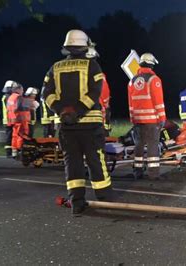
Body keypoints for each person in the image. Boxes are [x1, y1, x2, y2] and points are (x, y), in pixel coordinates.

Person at [42, 29, 113, 214]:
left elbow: (46, 94)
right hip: (89, 124)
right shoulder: (93, 66)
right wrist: (78, 111)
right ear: (85, 46)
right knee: (95, 160)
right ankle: (104, 199)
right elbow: (95, 93)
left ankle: (77, 203)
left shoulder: (55, 67)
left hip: (66, 126)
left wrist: (62, 111)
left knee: (72, 163)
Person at [128, 52, 166, 180]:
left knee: (138, 145)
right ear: (151, 65)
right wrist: (162, 119)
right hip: (151, 120)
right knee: (152, 146)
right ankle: (153, 174)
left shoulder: (132, 81)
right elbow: (158, 101)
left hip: (137, 120)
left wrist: (132, 118)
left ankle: (137, 171)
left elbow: (130, 102)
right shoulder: (154, 79)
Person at [7, 84, 31, 157]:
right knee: (22, 134)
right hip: (20, 119)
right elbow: (19, 107)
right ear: (18, 89)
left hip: (13, 119)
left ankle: (14, 151)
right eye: (22, 90)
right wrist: (29, 104)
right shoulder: (18, 97)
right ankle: (20, 150)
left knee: (15, 135)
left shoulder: (10, 97)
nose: (23, 91)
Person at [1, 80, 19, 157]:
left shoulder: (6, 96)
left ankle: (11, 152)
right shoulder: (8, 97)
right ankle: (9, 152)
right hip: (9, 119)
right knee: (10, 136)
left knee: (11, 135)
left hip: (8, 119)